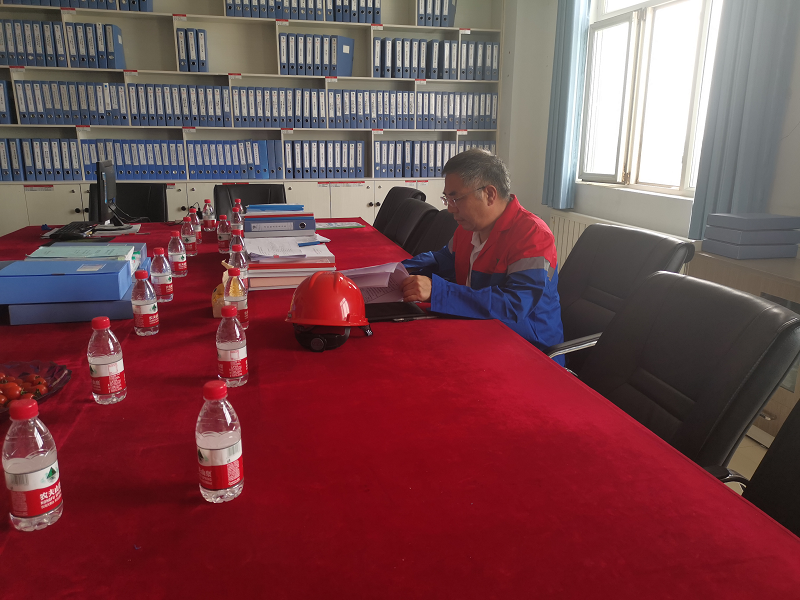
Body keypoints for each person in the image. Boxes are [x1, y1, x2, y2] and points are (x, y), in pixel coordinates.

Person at [401, 149, 564, 363]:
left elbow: (514, 305)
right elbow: (441, 260)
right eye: (446, 199)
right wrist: (400, 269)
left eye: (455, 199)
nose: (450, 209)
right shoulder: (468, 229)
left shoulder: (532, 235)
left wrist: (438, 291)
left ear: (489, 194)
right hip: (478, 330)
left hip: (528, 350)